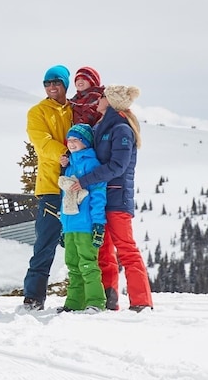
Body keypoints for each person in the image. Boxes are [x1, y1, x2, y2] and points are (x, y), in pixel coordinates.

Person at [68, 84, 154, 312]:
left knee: (126, 249)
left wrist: (86, 180)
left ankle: (141, 301)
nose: (99, 98)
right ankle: (109, 298)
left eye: (104, 96)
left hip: (117, 197)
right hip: (101, 198)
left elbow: (118, 166)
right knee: (103, 250)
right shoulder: (100, 127)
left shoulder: (121, 129)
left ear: (112, 102)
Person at [21, 64, 73, 311]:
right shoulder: (38, 112)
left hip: (76, 186)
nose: (51, 87)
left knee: (80, 242)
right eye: (47, 83)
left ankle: (84, 294)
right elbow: (41, 142)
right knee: (45, 242)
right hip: (51, 186)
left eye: (56, 82)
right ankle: (33, 296)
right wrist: (66, 153)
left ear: (65, 85)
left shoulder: (75, 110)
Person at [57, 123, 107, 312]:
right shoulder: (69, 166)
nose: (71, 143)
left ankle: (96, 302)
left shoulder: (91, 164)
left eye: (76, 140)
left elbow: (98, 195)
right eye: (69, 140)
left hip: (85, 224)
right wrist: (63, 227)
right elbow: (66, 198)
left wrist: (98, 223)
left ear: (85, 142)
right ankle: (74, 303)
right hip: (70, 225)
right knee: (73, 265)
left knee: (87, 264)